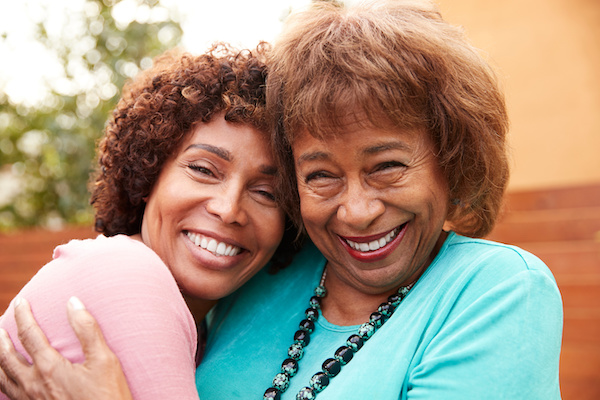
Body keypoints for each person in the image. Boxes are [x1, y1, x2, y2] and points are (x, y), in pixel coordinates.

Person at [0, 1, 563, 399]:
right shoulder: (262, 284)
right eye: (321, 175)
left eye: (387, 166)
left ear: (452, 160)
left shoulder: (496, 291)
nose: (358, 209)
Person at [0, 43, 297, 400]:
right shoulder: (129, 273)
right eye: (203, 169)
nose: (229, 208)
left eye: (268, 193)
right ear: (148, 174)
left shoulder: (205, 326)